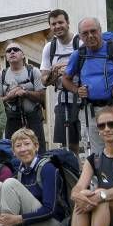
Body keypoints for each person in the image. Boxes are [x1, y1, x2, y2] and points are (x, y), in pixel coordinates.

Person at [61, 18, 113, 157]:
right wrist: (77, 90)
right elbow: (65, 79)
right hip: (91, 111)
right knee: (96, 152)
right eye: (85, 33)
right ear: (80, 36)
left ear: (100, 31)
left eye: (93, 31)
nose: (90, 36)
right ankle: (99, 178)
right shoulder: (78, 55)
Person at [40, 9, 81, 154]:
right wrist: (54, 73)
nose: (57, 26)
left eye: (60, 22)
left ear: (68, 23)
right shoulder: (49, 48)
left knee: (90, 142)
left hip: (83, 97)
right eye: (53, 24)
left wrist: (68, 69)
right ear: (50, 27)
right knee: (68, 146)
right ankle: (73, 174)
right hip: (63, 100)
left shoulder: (80, 42)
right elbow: (44, 81)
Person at [0, 41, 46, 149]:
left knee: (38, 149)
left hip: (33, 118)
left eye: (16, 49)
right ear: (6, 57)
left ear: (23, 55)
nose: (12, 52)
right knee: (12, 151)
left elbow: (42, 96)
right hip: (11, 119)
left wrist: (25, 93)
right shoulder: (1, 76)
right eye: (8, 51)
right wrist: (9, 97)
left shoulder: (33, 72)